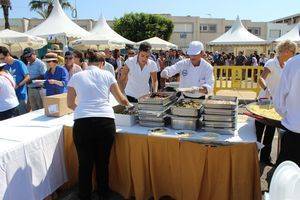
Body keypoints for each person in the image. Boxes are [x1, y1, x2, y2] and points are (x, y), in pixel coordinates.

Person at [67, 51, 132, 200]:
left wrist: (83, 110)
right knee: (103, 161)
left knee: (85, 163)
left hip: (82, 123)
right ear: (102, 63)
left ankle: (84, 195)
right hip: (105, 122)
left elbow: (70, 103)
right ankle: (103, 193)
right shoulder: (107, 75)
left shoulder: (76, 76)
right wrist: (131, 106)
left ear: (88, 63)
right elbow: (121, 99)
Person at [256, 40, 296, 166]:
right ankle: (253, 157)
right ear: (285, 51)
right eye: (292, 52)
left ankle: (265, 158)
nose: (293, 54)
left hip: (276, 103)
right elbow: (261, 78)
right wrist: (266, 89)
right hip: (264, 101)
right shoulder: (271, 63)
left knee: (270, 131)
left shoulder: (288, 65)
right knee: (258, 131)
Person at [274, 53, 300, 166]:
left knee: (287, 178)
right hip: (295, 131)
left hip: (295, 133)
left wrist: (288, 116)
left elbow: (279, 102)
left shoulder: (293, 63)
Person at [0, 46, 30, 115]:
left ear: (8, 54)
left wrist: (18, 85)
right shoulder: (4, 66)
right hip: (11, 96)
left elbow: (27, 77)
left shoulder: (19, 63)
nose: (1, 60)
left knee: (23, 116)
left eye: (2, 58)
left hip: (21, 94)